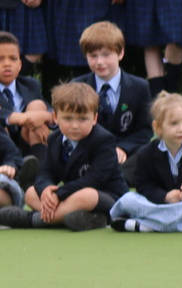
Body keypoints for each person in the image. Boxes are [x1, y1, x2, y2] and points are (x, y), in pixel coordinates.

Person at [0, 81, 124, 230]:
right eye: (68, 118)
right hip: (69, 196)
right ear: (55, 117)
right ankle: (80, 218)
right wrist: (46, 190)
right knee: (31, 193)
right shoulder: (54, 139)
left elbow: (94, 180)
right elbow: (46, 172)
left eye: (82, 118)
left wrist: (58, 193)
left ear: (94, 118)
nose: (75, 125)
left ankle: (33, 220)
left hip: (106, 197)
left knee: (87, 195)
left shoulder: (104, 140)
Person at [109, 91, 182, 232]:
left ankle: (144, 225)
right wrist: (164, 197)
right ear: (158, 127)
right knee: (128, 199)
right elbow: (143, 185)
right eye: (174, 123)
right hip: (157, 204)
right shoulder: (146, 153)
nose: (181, 129)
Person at [78, 20, 151, 159]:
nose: (100, 62)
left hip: (126, 158)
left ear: (120, 53)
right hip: (88, 156)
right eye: (93, 56)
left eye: (106, 55)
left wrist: (123, 149)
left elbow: (145, 131)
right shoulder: (77, 87)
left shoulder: (140, 87)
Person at [0, 30, 53, 149]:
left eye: (13, 59)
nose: (7, 64)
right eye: (0, 59)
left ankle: (38, 163)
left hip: (27, 141)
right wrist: (20, 118)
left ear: (20, 64)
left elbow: (50, 111)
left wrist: (42, 116)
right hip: (4, 145)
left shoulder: (30, 84)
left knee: (37, 106)